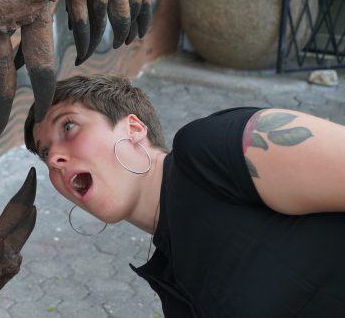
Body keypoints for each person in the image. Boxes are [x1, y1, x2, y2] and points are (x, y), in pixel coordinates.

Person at [24, 74, 345, 316]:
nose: (54, 159)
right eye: (46, 152)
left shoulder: (212, 150)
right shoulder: (171, 273)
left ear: (133, 129)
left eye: (68, 127)